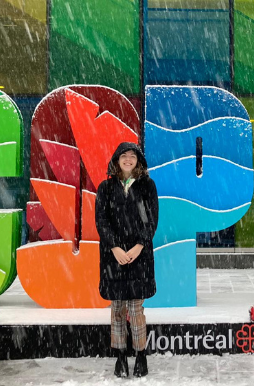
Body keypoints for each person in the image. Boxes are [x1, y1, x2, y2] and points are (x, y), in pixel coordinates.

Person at [95, 142, 158, 378]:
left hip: (139, 257)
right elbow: (101, 221)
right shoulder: (106, 188)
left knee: (136, 308)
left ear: (138, 160)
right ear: (117, 160)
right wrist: (115, 248)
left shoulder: (147, 186)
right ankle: (120, 357)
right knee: (118, 309)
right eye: (124, 156)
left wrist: (139, 245)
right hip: (114, 259)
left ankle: (141, 355)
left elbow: (151, 218)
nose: (128, 160)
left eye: (133, 156)